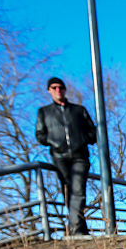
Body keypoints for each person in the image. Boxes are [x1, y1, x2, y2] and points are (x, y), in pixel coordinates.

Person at [35, 76, 97, 235]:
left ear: (65, 89)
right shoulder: (44, 112)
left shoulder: (79, 110)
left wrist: (82, 140)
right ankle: (80, 228)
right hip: (59, 156)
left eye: (61, 87)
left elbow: (93, 132)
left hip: (80, 156)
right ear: (49, 90)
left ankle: (75, 230)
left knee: (78, 190)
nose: (58, 90)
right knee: (68, 192)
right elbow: (40, 135)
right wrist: (56, 143)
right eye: (54, 87)